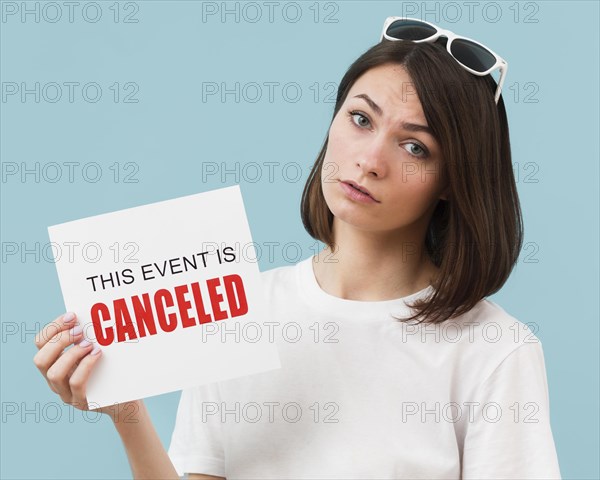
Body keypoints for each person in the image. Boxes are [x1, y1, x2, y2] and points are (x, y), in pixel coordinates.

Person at [33, 17, 561, 480]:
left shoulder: (494, 352)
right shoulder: (237, 313)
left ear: (451, 179)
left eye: (414, 146)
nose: (370, 159)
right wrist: (126, 410)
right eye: (361, 119)